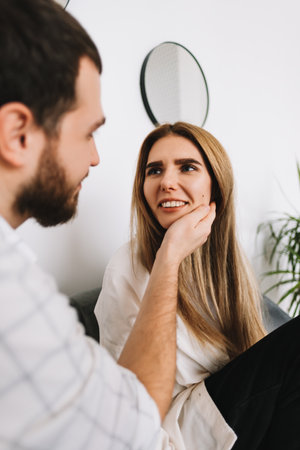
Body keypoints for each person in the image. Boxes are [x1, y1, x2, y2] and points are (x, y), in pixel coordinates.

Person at [0, 1, 216, 448]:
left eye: (187, 168)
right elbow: (127, 425)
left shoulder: (19, 269)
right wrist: (170, 255)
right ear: (18, 134)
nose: (97, 157)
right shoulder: (12, 291)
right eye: (88, 133)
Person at [95, 122, 300, 449]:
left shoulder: (227, 264)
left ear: (216, 186)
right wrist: (169, 256)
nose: (167, 182)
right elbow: (133, 407)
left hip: (234, 415)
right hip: (177, 432)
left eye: (187, 167)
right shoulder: (127, 267)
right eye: (154, 171)